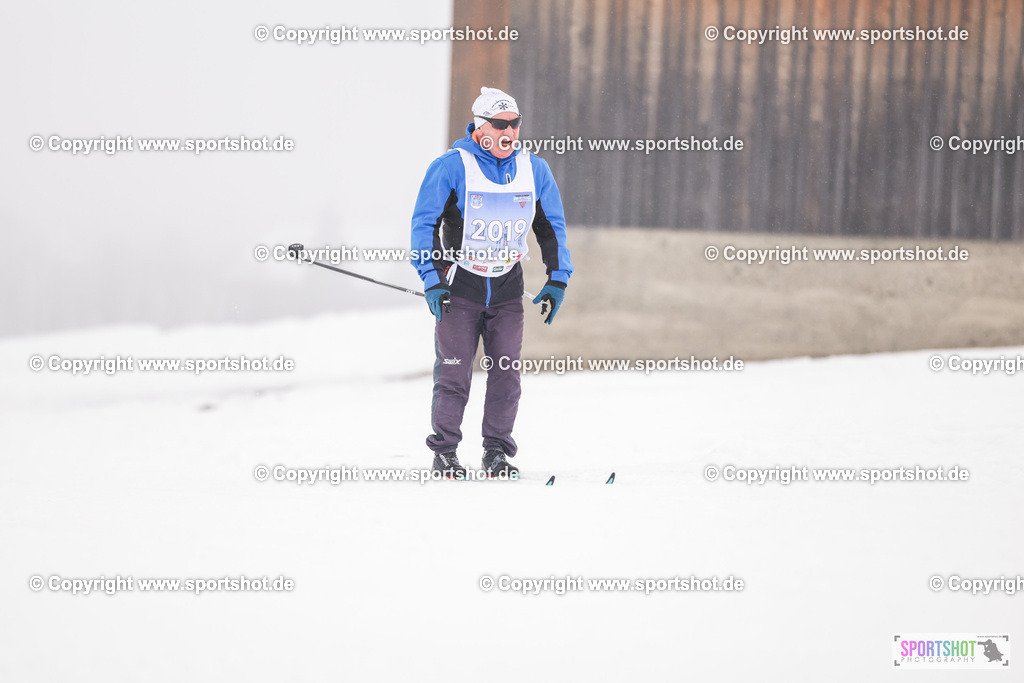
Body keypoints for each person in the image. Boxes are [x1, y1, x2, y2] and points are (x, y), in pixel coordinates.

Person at [410, 86, 573, 480]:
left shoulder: (534, 170)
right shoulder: (451, 166)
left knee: (506, 374)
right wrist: (432, 281)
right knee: (453, 373)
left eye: (514, 125)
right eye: (500, 125)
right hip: (459, 290)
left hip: (506, 290)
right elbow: (424, 224)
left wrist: (558, 279)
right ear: (480, 127)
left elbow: (551, 228)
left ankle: (496, 453)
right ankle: (445, 452)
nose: (509, 132)